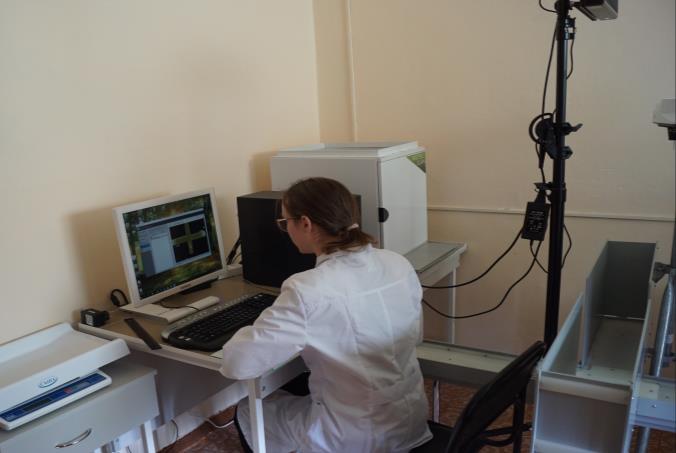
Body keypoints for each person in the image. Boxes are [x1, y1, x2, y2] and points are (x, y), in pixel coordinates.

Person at [220, 177, 432, 453]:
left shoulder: (307, 289)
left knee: (249, 410)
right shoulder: (397, 262)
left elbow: (239, 365)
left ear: (306, 224)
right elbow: (415, 336)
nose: (286, 230)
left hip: (353, 438)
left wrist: (250, 328)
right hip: (409, 418)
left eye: (285, 222)